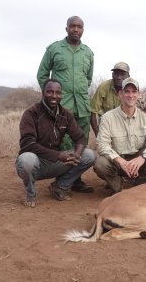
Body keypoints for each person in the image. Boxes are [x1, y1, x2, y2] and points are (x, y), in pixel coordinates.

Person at [16, 79, 96, 207]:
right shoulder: (31, 113)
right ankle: (30, 193)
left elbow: (80, 138)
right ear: (43, 92)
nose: (54, 96)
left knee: (89, 155)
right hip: (37, 162)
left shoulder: (65, 114)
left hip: (56, 163)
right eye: (50, 92)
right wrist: (58, 155)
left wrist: (77, 154)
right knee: (26, 159)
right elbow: (27, 143)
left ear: (61, 95)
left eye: (58, 93)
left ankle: (60, 186)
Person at [37, 15, 94, 193]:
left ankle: (75, 179)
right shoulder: (55, 49)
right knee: (63, 143)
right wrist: (52, 99)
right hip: (62, 106)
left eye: (79, 27)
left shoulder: (88, 52)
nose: (76, 29)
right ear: (66, 28)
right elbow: (42, 75)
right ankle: (62, 179)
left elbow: (88, 79)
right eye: (72, 26)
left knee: (81, 143)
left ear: (83, 30)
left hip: (82, 107)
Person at [93, 77, 146, 193]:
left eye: (134, 92)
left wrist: (142, 157)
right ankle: (119, 188)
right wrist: (120, 160)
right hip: (118, 162)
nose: (130, 95)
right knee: (100, 164)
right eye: (127, 91)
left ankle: (142, 187)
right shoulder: (107, 117)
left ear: (139, 95)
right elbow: (102, 144)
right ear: (120, 94)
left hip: (138, 161)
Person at [90, 62, 130, 136]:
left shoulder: (132, 88)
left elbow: (142, 103)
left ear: (128, 76)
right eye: (116, 74)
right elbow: (93, 112)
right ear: (112, 75)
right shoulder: (103, 87)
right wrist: (98, 134)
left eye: (122, 74)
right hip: (107, 127)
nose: (118, 77)